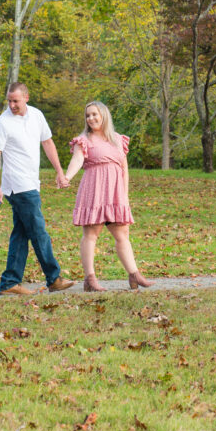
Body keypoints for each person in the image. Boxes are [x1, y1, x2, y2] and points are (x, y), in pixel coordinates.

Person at [0, 82, 75, 296]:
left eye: (15, 100)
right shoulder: (2, 122)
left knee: (21, 233)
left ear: (26, 97)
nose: (11, 105)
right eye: (9, 100)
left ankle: (9, 283)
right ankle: (53, 278)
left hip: (31, 182)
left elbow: (47, 143)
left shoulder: (36, 115)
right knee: (39, 232)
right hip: (18, 186)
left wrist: (59, 171)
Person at [64, 100, 153, 292]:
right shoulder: (84, 139)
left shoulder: (117, 139)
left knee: (122, 234)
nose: (91, 118)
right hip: (94, 189)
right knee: (91, 233)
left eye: (94, 114)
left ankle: (134, 275)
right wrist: (67, 177)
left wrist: (124, 195)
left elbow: (124, 168)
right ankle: (90, 279)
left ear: (104, 115)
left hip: (115, 192)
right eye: (88, 115)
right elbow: (77, 159)